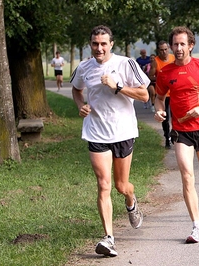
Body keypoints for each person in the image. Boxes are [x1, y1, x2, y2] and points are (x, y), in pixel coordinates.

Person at [70, 25, 149, 257]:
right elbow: (76, 90)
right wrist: (80, 106)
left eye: (104, 43)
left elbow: (145, 94)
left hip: (123, 132)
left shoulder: (126, 64)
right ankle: (109, 238)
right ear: (90, 44)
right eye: (95, 43)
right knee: (103, 184)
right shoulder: (84, 67)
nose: (99, 48)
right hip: (96, 131)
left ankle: (131, 201)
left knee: (121, 186)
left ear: (111, 44)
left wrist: (119, 86)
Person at [154, 26, 199, 243]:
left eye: (182, 44)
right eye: (175, 44)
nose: (178, 48)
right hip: (181, 130)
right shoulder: (165, 72)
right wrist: (159, 110)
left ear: (191, 46)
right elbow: (159, 98)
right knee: (187, 175)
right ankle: (197, 226)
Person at [149, 41, 175, 149]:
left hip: (174, 93)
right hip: (163, 94)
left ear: (168, 48)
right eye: (161, 50)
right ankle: (167, 138)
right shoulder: (156, 61)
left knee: (176, 117)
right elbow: (150, 76)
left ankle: (177, 136)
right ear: (158, 51)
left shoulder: (174, 58)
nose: (164, 52)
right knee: (165, 117)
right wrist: (162, 79)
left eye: (165, 49)